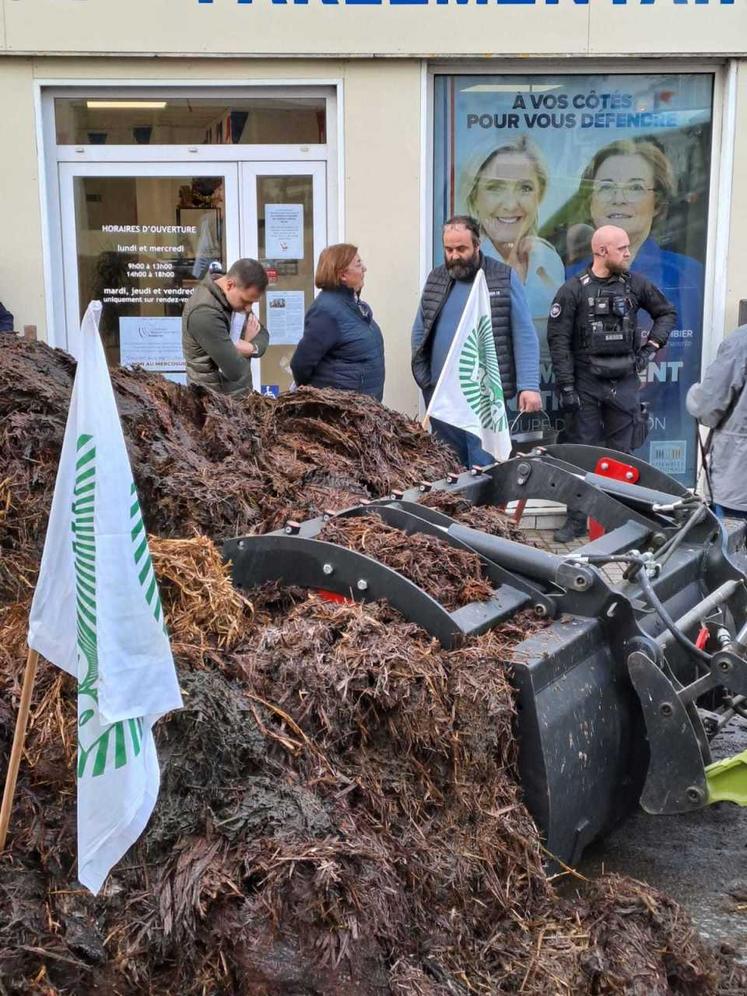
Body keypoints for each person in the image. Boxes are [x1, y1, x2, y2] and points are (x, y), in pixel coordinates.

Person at [547, 225, 676, 541]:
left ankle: (620, 523)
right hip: (585, 384)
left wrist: (650, 348)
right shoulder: (573, 290)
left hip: (624, 381)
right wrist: (567, 386)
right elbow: (558, 341)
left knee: (622, 456)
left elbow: (666, 313)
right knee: (584, 455)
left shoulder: (635, 285)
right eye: (622, 248)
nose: (629, 253)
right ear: (601, 251)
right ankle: (576, 521)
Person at [411, 214, 542, 467]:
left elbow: (524, 334)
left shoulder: (502, 277)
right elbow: (420, 331)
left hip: (484, 397)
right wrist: (426, 381)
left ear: (477, 245)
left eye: (461, 249)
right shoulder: (436, 279)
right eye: (449, 249)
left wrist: (529, 385)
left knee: (486, 468)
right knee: (449, 468)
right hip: (443, 397)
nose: (454, 256)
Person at [462, 136, 564, 352]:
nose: (510, 204)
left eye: (525, 188)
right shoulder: (464, 267)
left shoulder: (549, 260)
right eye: (495, 188)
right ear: (474, 197)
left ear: (539, 196)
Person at [290, 243, 385, 401]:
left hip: (361, 408)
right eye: (358, 264)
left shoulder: (352, 304)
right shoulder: (326, 311)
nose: (364, 268)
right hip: (341, 409)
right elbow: (300, 364)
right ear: (342, 275)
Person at [182, 257, 269, 398]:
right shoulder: (204, 313)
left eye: (252, 303)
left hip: (238, 396)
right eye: (246, 301)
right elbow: (235, 370)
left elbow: (263, 334)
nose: (248, 309)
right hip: (214, 401)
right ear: (230, 285)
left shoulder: (235, 301)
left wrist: (250, 347)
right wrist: (247, 340)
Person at [686, 325, 747, 520]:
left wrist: (693, 394)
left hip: (738, 480)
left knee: (729, 535)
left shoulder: (741, 341)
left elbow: (706, 408)